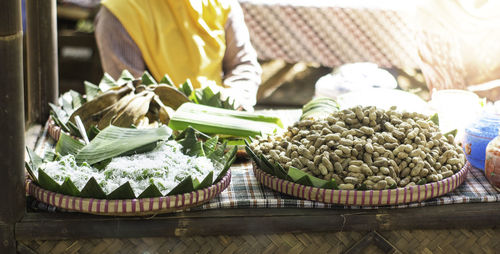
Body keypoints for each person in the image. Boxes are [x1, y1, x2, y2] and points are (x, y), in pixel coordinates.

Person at [94, 0, 262, 110]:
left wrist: (234, 99)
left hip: (222, 119)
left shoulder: (221, 4)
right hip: (161, 133)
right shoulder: (121, 11)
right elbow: (131, 96)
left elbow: (243, 65)